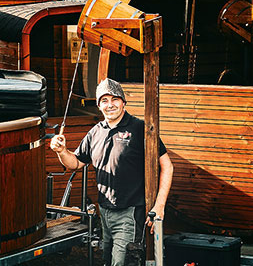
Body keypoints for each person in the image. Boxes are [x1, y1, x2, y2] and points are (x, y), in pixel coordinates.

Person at [50, 78, 173, 266]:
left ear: (123, 102)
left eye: (115, 99)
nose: (110, 105)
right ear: (99, 105)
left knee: (121, 262)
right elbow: (75, 163)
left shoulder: (140, 128)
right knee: (108, 261)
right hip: (104, 212)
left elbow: (167, 165)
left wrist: (160, 206)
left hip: (130, 213)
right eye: (104, 100)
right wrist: (61, 151)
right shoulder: (95, 132)